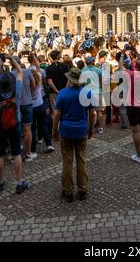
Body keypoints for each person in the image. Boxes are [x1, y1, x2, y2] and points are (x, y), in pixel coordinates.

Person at [52, 68, 94, 203]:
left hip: (66, 131)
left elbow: (57, 114)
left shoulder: (63, 94)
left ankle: (68, 190)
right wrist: (91, 128)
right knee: (81, 160)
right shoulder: (87, 93)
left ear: (70, 79)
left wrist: (54, 130)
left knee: (67, 162)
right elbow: (92, 113)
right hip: (81, 130)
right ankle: (82, 190)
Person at [0, 54, 28, 194]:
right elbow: (19, 71)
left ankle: (0, 182)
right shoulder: (17, 89)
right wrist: (12, 60)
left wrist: (0, 66)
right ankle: (19, 182)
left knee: (0, 154)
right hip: (15, 122)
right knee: (16, 153)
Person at [11, 56, 39, 162]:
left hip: (15, 104)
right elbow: (34, 85)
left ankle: (15, 153)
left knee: (15, 129)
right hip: (27, 102)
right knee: (27, 129)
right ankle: (27, 153)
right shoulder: (27, 71)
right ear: (19, 62)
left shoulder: (10, 74)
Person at [28, 54, 55, 155]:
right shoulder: (40, 73)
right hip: (40, 102)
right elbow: (45, 82)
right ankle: (48, 143)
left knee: (33, 127)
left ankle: (33, 149)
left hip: (31, 104)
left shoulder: (27, 73)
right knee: (42, 124)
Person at [82, 56, 105, 134]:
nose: (95, 61)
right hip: (97, 92)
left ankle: (89, 127)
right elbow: (102, 82)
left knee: (88, 111)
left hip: (86, 92)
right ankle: (100, 128)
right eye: (94, 60)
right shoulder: (98, 70)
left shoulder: (83, 70)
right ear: (91, 62)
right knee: (99, 111)